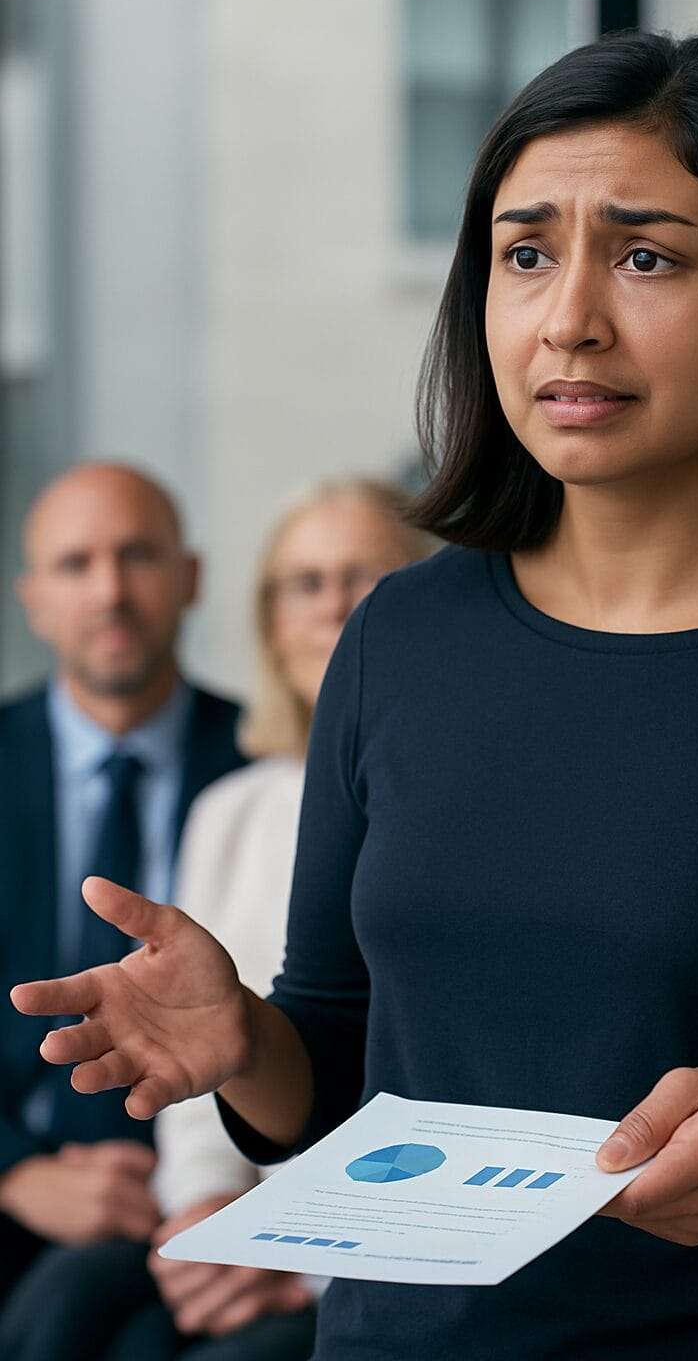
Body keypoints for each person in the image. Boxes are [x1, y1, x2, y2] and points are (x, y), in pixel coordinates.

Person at [11, 33, 698, 1361]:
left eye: (647, 256)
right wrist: (245, 1039)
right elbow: (338, 1068)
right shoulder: (399, 640)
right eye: (527, 254)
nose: (571, 319)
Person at [103, 480, 431, 1359]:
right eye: (304, 582)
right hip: (240, 1217)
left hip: (375, 1244)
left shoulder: (456, 801)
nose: (332, 605)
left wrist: (303, 1261)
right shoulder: (230, 809)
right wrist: (202, 1211)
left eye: (361, 576)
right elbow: (192, 1043)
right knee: (68, 1313)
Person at [0, 463, 246, 1349]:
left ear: (190, 577)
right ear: (33, 598)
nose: (109, 591)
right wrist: (17, 1178)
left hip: (215, 1195)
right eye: (75, 564)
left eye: (137, 555)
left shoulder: (265, 768)